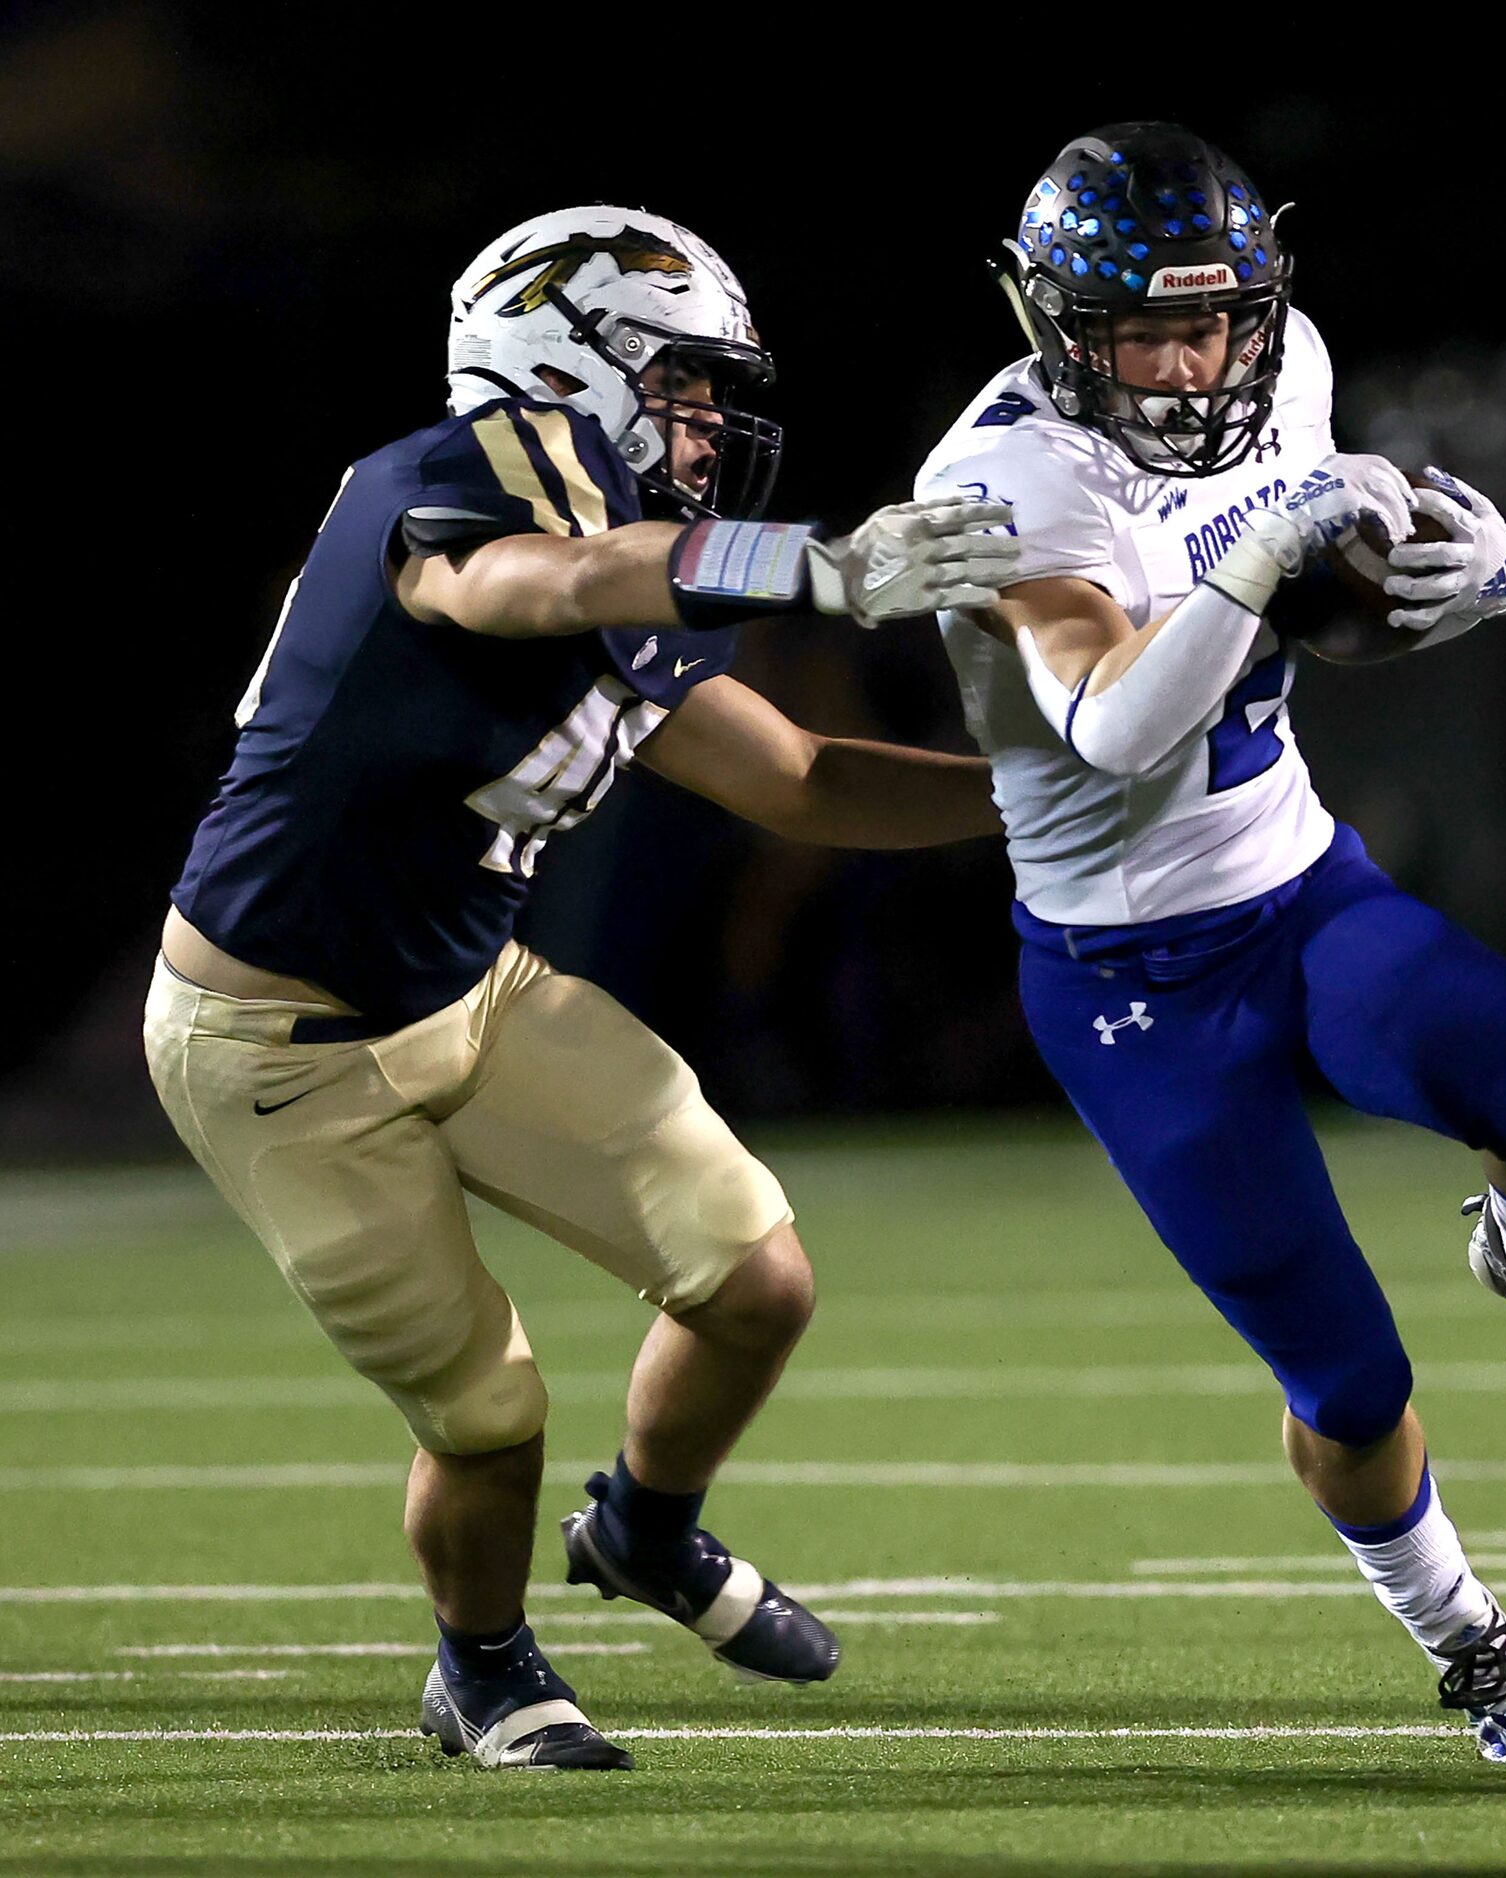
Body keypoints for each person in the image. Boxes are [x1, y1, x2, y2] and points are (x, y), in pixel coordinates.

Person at [144, 204, 1019, 1772]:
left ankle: (646, 1527)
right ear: (566, 360)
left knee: (756, 1277)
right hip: (280, 1043)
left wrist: (1046, 787)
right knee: (486, 1416)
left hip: (469, 986)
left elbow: (801, 780)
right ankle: (480, 1665)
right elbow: (523, 590)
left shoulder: (631, 550)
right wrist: (811, 567)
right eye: (679, 385)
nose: (705, 422)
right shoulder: (452, 485)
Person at [915, 123, 1506, 1765]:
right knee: (1347, 1378)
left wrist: (1468, 568)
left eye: (1210, 322)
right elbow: (1116, 724)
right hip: (1128, 975)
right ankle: (1476, 1645)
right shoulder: (1000, 479)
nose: (1184, 361)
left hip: (1296, 886)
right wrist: (1272, 547)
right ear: (1057, 326)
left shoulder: (1287, 374)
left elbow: (1302, 615)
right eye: (1141, 328)